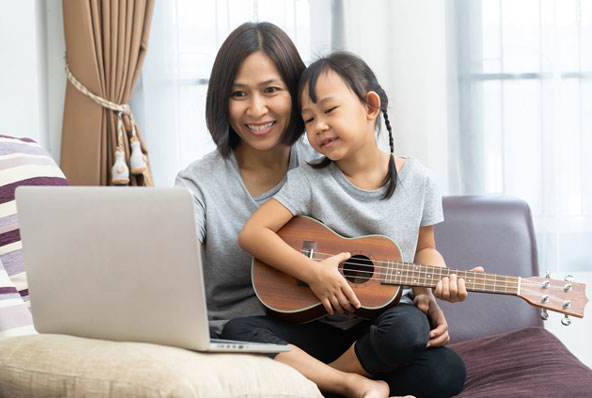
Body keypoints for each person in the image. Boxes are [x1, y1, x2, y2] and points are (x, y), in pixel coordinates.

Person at [177, 22, 472, 398]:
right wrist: (314, 274)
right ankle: (344, 384)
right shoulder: (216, 184)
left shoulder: (333, 159)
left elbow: (421, 249)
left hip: (356, 328)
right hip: (270, 335)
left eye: (271, 90)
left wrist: (425, 291)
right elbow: (195, 257)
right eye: (238, 93)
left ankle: (317, 381)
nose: (256, 108)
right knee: (239, 335)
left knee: (443, 369)